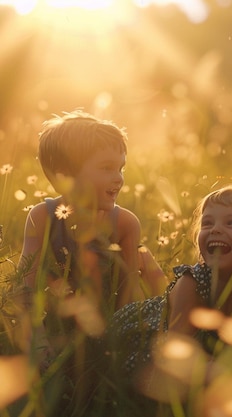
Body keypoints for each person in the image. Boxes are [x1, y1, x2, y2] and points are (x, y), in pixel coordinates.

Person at [16, 111, 167, 415]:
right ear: (64, 175)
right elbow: (26, 285)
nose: (119, 178)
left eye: (121, 168)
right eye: (106, 167)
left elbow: (126, 298)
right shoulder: (43, 217)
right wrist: (37, 338)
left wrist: (115, 340)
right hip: (56, 325)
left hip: (110, 328)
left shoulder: (124, 224)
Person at [109, 186, 232, 406]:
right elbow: (176, 349)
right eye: (207, 223)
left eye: (231, 223)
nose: (215, 230)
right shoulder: (191, 282)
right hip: (146, 341)